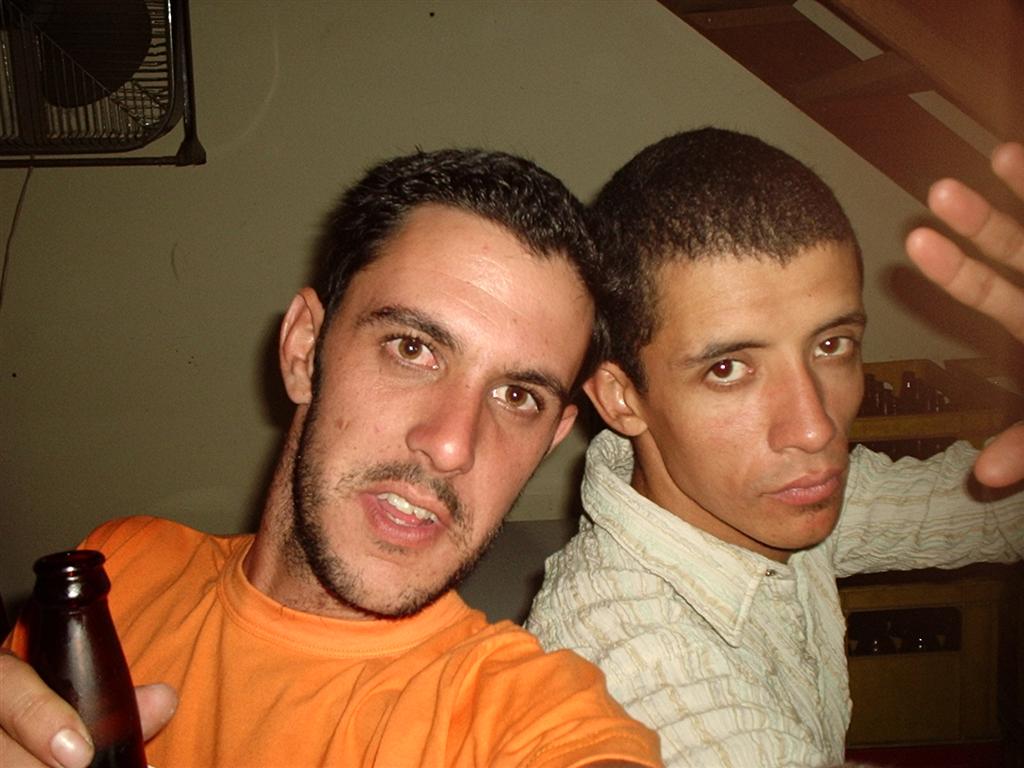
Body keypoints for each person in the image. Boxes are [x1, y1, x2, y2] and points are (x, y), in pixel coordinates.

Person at [1, 148, 661, 768]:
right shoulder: (121, 570)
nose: (452, 445)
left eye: (517, 396)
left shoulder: (530, 714)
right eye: (412, 349)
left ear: (552, 438)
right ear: (304, 351)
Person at [526, 128, 1024, 767]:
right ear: (622, 398)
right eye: (728, 369)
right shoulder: (635, 670)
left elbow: (982, 512)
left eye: (831, 345)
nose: (815, 428)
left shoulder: (741, 498)